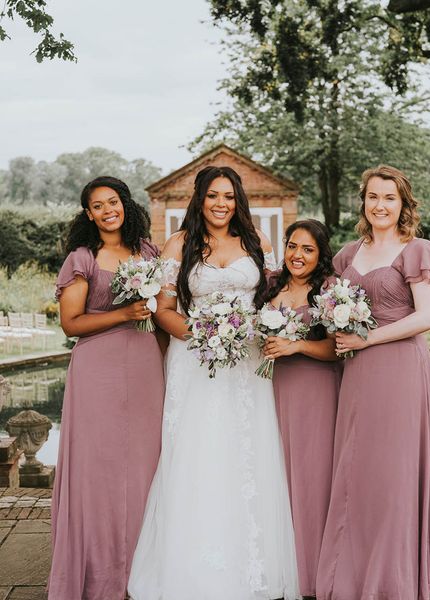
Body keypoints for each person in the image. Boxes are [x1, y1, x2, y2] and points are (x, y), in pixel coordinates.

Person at [128, 166, 299, 600]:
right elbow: (164, 310)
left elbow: (274, 297)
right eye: (212, 196)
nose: (220, 204)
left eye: (228, 196)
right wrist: (203, 335)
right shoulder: (179, 244)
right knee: (196, 450)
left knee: (247, 450)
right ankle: (189, 570)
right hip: (194, 361)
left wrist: (264, 327)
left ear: (237, 200)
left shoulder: (256, 242)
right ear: (199, 200)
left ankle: (253, 564)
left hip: (246, 364)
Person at [316, 165, 430, 600]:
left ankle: (394, 578)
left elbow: (428, 317)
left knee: (394, 473)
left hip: (399, 369)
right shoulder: (346, 255)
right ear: (363, 202)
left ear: (403, 204)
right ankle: (353, 573)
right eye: (373, 197)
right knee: (357, 470)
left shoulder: (418, 250)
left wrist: (368, 337)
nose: (380, 205)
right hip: (357, 375)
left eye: (389, 198)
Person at [48, 176, 165, 600]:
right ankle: (100, 573)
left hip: (146, 366)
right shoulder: (82, 258)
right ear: (89, 214)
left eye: (112, 202)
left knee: (145, 464)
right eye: (97, 206)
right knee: (98, 469)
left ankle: (143, 567)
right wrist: (123, 313)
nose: (107, 210)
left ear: (124, 204)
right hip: (97, 369)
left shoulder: (148, 252)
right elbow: (71, 323)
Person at [263, 220, 342, 599]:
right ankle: (281, 568)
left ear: (320, 253)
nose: (297, 255)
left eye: (308, 249)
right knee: (277, 478)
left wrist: (297, 346)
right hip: (272, 391)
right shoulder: (270, 286)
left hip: (315, 391)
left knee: (312, 480)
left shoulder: (328, 290)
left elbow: (335, 349)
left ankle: (312, 575)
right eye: (293, 246)